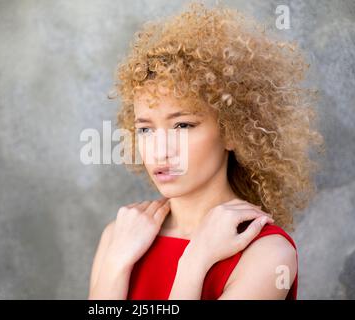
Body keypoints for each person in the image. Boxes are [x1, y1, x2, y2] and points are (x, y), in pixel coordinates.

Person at [88, 2, 324, 300]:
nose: (160, 150)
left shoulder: (268, 254)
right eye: (146, 129)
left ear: (232, 131)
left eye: (183, 125)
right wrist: (116, 265)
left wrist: (194, 263)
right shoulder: (119, 236)